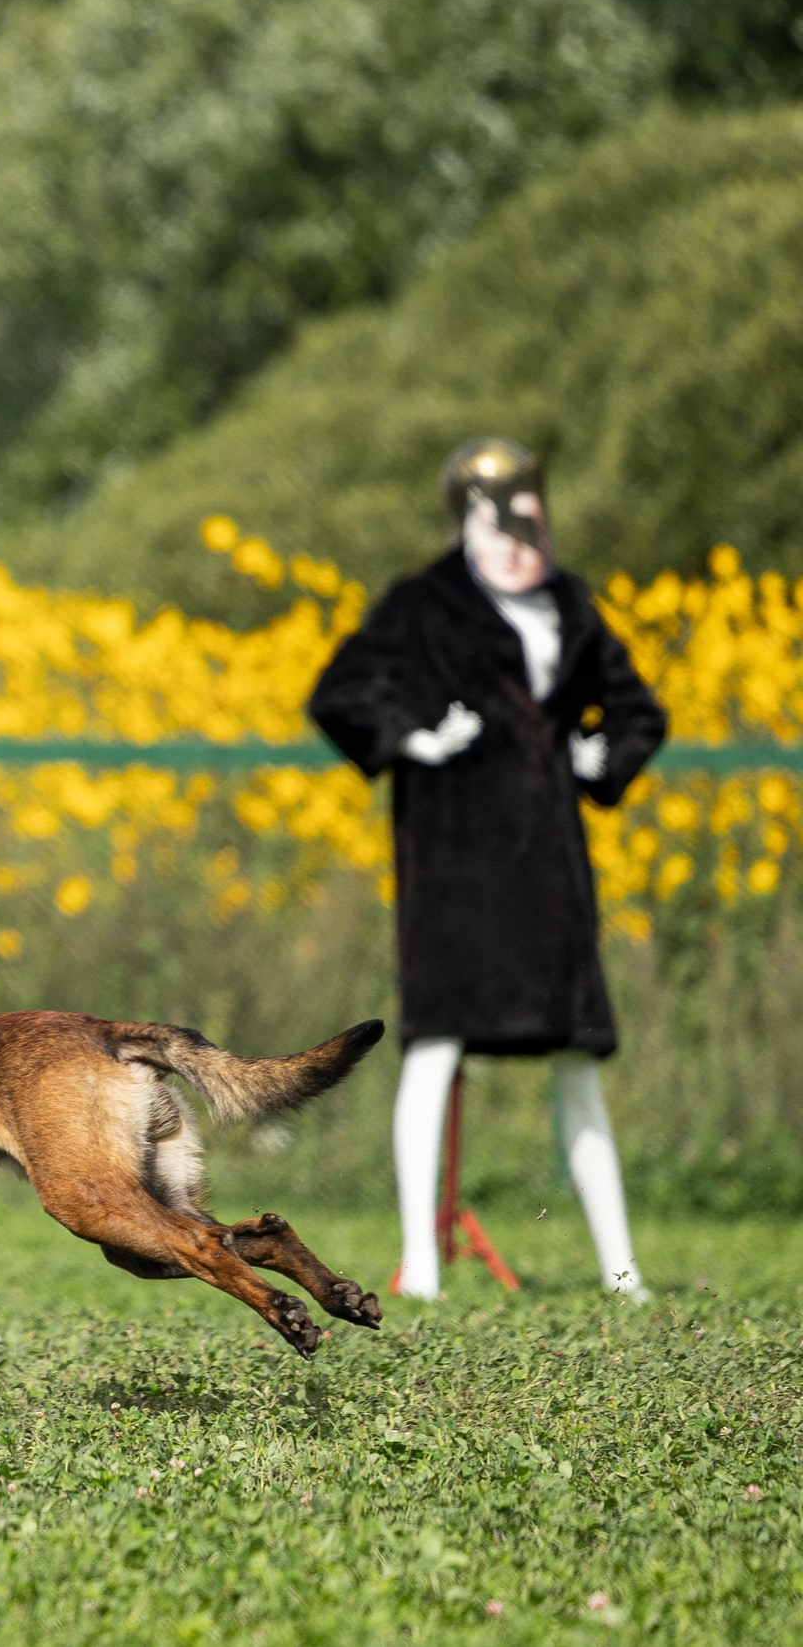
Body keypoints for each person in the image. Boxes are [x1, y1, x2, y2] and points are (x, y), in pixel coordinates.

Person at [309, 437, 667, 1302]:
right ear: (464, 520)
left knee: (578, 1057)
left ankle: (623, 1272)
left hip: (551, 868)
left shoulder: (572, 603)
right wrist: (415, 736)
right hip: (453, 864)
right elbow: (342, 692)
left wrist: (601, 755)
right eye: (494, 518)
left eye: (527, 517)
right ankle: (422, 1263)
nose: (515, 536)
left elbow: (636, 708)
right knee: (435, 1046)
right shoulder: (421, 604)